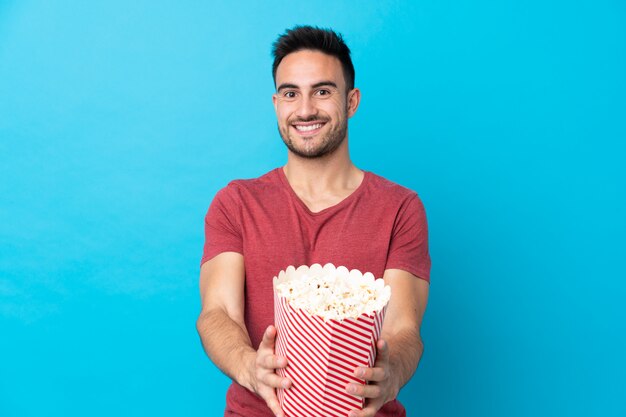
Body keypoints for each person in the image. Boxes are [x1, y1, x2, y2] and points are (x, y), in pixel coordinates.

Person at [196, 25, 431, 417]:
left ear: (351, 101)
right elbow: (217, 312)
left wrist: (390, 375)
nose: (305, 110)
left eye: (322, 91)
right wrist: (248, 367)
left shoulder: (400, 208)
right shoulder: (236, 203)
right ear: (276, 103)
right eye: (291, 93)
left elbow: (403, 328)